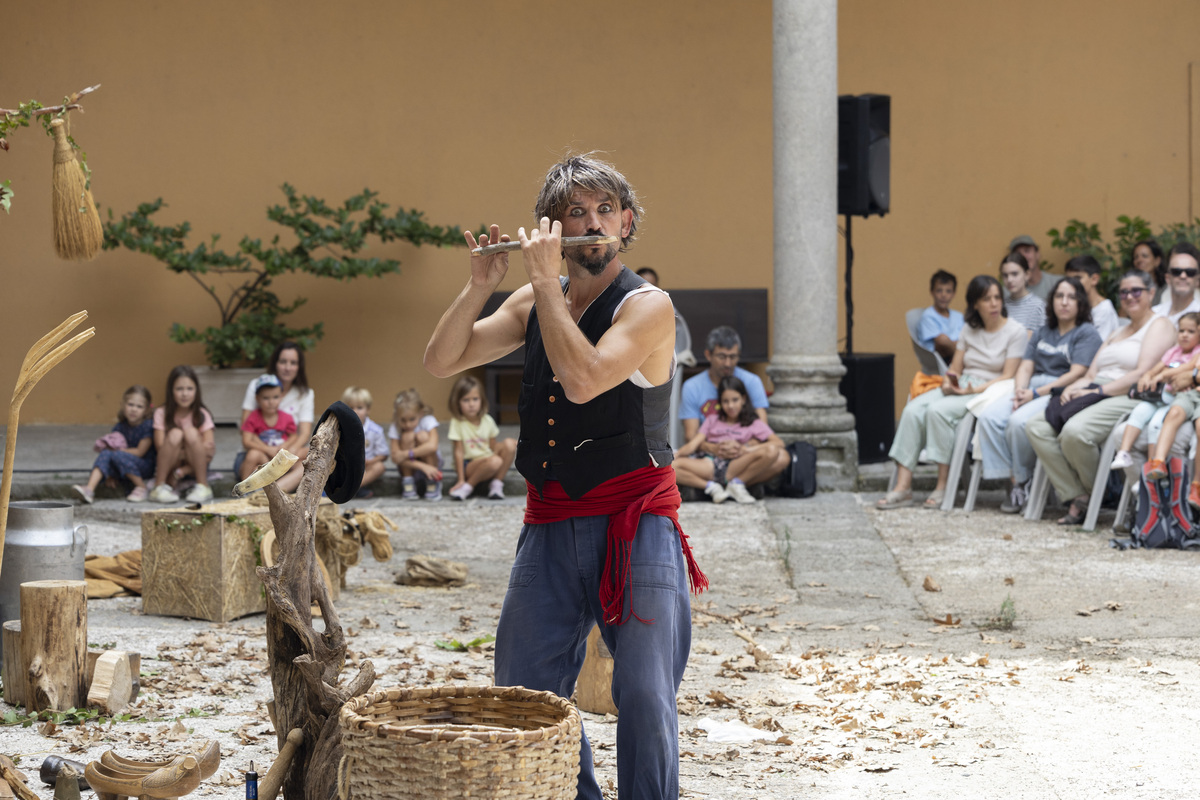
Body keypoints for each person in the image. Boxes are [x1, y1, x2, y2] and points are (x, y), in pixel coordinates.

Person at [423, 154, 706, 799]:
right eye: (575, 212)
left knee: (643, 694)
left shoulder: (648, 306)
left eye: (605, 209)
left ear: (627, 221)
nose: (592, 223)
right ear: (551, 226)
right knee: (523, 690)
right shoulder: (533, 300)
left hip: (637, 523)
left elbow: (583, 381)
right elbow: (441, 362)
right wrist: (479, 284)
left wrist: (546, 287)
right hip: (551, 522)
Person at [1026, 270, 1175, 525]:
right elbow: (1093, 372)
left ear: (1151, 293)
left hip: (1129, 393)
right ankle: (1081, 493)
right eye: (1124, 292)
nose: (1129, 297)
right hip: (1096, 389)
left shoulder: (1159, 324)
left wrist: (1097, 391)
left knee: (1075, 432)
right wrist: (1076, 387)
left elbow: (1142, 373)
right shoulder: (1119, 329)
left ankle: (1101, 494)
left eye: (1136, 291)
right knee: (1036, 426)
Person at [877, 275, 1026, 510]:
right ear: (975, 304)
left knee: (938, 411)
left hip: (989, 389)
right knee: (913, 409)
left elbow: (1008, 375)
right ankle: (903, 487)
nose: (994, 304)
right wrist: (949, 383)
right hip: (964, 384)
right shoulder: (969, 329)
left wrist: (974, 389)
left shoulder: (1015, 331)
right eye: (987, 299)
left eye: (997, 298)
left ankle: (943, 485)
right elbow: (955, 368)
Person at [975, 278, 1102, 513]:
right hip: (1030, 387)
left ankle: (1025, 479)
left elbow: (1077, 373)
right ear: (1051, 301)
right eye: (1058, 296)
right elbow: (1025, 365)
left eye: (1071, 297)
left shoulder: (1087, 333)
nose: (1064, 302)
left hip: (1059, 391)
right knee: (988, 417)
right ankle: (1013, 482)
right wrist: (1020, 391)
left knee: (1018, 422)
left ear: (1080, 303)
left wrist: (1034, 393)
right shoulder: (1044, 331)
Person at [673, 376, 784, 504]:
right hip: (710, 464)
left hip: (736, 464)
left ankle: (737, 484)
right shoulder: (712, 420)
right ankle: (710, 487)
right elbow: (694, 443)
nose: (730, 406)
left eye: (735, 400)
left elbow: (778, 443)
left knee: (772, 450)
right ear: (720, 402)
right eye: (725, 401)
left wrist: (746, 450)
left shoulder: (753, 423)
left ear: (743, 399)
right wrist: (678, 454)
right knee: (669, 467)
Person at [1111, 313, 1200, 471]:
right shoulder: (1174, 351)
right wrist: (1148, 376)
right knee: (1136, 414)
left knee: (1156, 425)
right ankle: (1124, 455)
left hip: (1176, 400)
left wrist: (1164, 374)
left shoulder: (1196, 352)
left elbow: (1189, 368)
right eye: (1181, 331)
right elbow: (1155, 369)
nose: (1185, 335)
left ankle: (1155, 467)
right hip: (1159, 396)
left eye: (1191, 331)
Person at [239, 341, 314, 493]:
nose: (287, 367)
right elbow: (246, 429)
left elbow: (304, 433)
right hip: (257, 453)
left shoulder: (305, 393)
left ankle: (270, 493)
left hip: (287, 453)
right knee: (255, 465)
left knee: (311, 461)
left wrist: (287, 450)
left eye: (293, 363)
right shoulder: (257, 385)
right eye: (283, 362)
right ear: (275, 363)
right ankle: (260, 491)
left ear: (299, 367)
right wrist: (268, 450)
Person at [73, 385, 156, 503]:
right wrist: (111, 476)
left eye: (139, 406)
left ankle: (142, 487)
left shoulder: (147, 426)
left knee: (115, 454)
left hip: (143, 466)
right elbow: (113, 452)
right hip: (122, 462)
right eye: (130, 405)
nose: (134, 409)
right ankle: (89, 489)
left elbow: (139, 452)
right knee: (106, 453)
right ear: (123, 405)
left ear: (147, 410)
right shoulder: (120, 426)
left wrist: (118, 452)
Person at [149, 366, 216, 504]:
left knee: (191, 432)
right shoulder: (161, 413)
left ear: (196, 391)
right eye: (179, 389)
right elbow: (161, 448)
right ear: (171, 391)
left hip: (195, 467)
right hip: (170, 464)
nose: (184, 394)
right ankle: (159, 487)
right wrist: (192, 452)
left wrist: (183, 469)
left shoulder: (202, 414)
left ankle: (203, 486)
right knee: (175, 433)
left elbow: (209, 451)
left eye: (189, 389)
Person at [445, 375, 515, 501]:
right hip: (470, 465)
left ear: (482, 400)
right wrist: (460, 478)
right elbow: (459, 452)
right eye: (466, 400)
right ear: (457, 402)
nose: (471, 404)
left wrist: (511, 446)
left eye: (475, 399)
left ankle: (496, 484)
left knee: (510, 444)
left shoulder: (487, 420)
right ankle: (467, 486)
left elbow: (492, 447)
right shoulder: (457, 422)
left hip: (489, 460)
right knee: (495, 461)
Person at [235, 374, 297, 482]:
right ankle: (244, 487)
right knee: (253, 454)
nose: (271, 402)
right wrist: (267, 449)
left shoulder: (286, 417)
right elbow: (246, 441)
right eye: (265, 398)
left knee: (305, 452)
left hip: (279, 457)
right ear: (257, 399)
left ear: (281, 396)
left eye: (275, 397)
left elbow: (293, 436)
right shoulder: (253, 417)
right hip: (262, 456)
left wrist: (284, 446)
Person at [388, 388, 444, 501]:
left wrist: (406, 454)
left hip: (432, 465)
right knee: (406, 436)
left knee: (422, 436)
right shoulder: (395, 427)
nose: (407, 424)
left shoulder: (428, 421)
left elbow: (432, 446)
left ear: (421, 413)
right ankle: (408, 482)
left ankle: (432, 481)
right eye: (403, 420)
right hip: (411, 468)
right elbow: (395, 457)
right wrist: (424, 467)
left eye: (412, 419)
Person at [342, 387, 388, 499]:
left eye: (359, 407)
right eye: (350, 407)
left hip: (365, 467)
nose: (355, 411)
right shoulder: (341, 428)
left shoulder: (375, 430)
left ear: (368, 409)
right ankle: (354, 490)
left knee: (379, 467)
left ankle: (351, 489)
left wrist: (370, 461)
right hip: (346, 467)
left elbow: (383, 455)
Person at [1064, 255, 1119, 340]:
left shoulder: (1104, 309)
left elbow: (1097, 346)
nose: (1072, 283)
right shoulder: (1076, 306)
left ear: (1094, 279)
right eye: (1069, 279)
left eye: (1078, 278)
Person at [917, 270, 963, 364]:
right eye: (939, 290)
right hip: (942, 362)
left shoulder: (959, 316)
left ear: (953, 294)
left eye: (948, 291)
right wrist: (959, 345)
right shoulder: (928, 316)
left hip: (959, 356)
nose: (943, 295)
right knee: (942, 340)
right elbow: (941, 344)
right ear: (932, 292)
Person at [1151, 242, 1200, 324]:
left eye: (1190, 272)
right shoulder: (1153, 314)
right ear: (1167, 278)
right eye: (1176, 271)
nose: (1183, 276)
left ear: (1198, 280)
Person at [1000, 251, 1046, 332]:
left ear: (1027, 275)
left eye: (1014, 274)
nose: (1009, 280)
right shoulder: (1000, 306)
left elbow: (1046, 339)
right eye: (1005, 275)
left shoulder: (1038, 306)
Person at [1008, 234, 1056, 300]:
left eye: (1027, 251)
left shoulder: (1056, 283)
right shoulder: (1009, 292)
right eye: (1018, 254)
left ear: (1037, 254)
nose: (1024, 256)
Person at [1131, 238, 1166, 303]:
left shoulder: (1166, 288)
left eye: (1145, 256)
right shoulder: (1129, 289)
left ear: (1157, 261)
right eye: (1136, 257)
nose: (1139, 260)